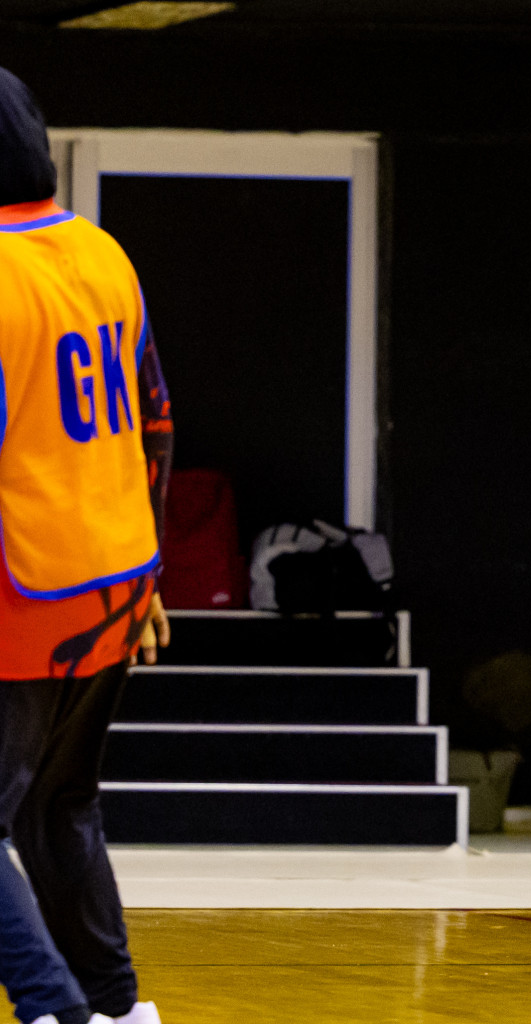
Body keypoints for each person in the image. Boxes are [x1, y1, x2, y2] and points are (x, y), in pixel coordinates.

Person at [0, 66, 168, 1024]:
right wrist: (147, 582)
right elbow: (157, 420)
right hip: (113, 586)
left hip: (23, 596)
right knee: (59, 803)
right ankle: (116, 1007)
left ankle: (56, 1007)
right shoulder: (102, 254)